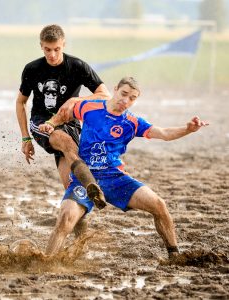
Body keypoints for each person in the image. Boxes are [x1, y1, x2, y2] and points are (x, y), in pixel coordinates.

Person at [39, 76, 209, 258]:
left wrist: (188, 129)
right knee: (66, 218)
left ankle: (174, 255)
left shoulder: (132, 122)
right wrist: (51, 124)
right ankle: (46, 262)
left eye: (132, 98)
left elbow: (164, 133)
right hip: (85, 178)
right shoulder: (90, 108)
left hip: (115, 178)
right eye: (124, 94)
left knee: (159, 205)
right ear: (116, 89)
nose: (125, 100)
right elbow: (66, 112)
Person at [15, 24, 111, 211]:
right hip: (42, 122)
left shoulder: (77, 66)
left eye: (56, 49)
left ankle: (80, 231)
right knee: (64, 141)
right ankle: (92, 185)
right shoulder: (32, 69)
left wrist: (76, 100)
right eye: (47, 49)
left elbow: (105, 95)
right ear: (41, 46)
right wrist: (25, 137)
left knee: (71, 188)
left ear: (64, 45)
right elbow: (21, 102)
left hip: (70, 122)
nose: (52, 54)